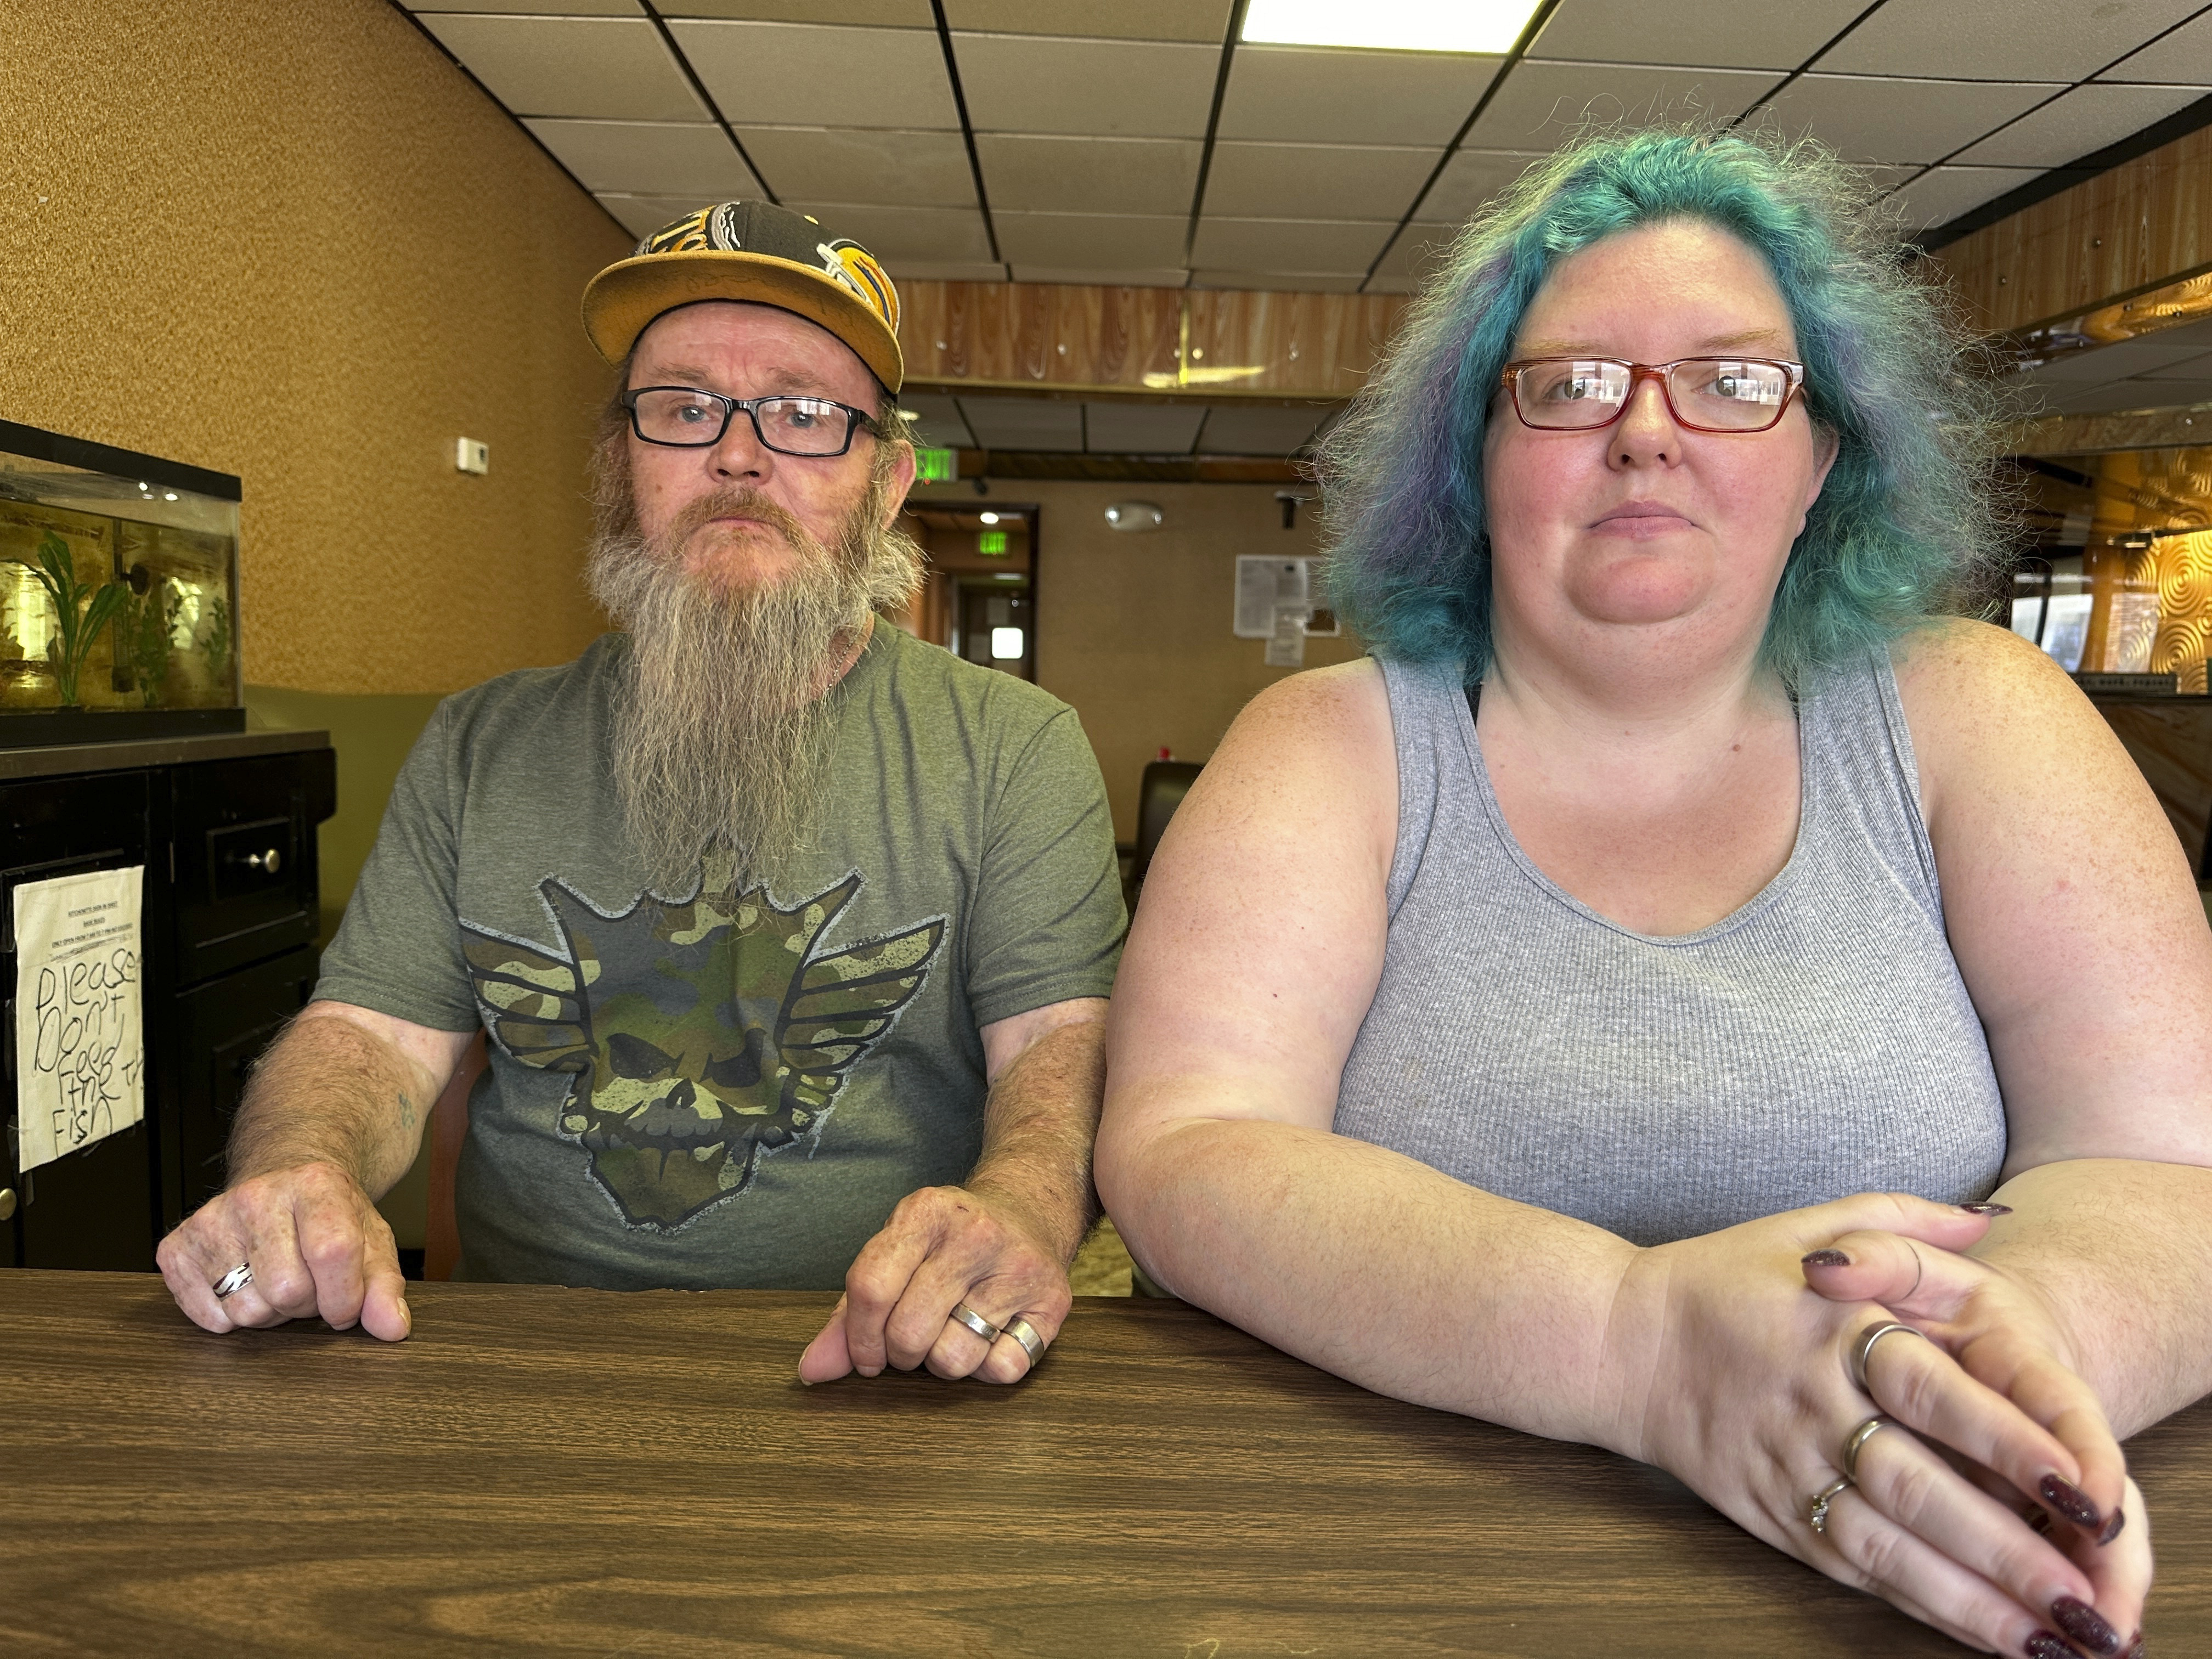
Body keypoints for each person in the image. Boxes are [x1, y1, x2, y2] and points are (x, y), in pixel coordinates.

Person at [1097, 131, 2210, 1659]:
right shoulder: (1325, 747)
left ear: (1823, 458)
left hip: (1926, 1563)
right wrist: (1641, 1343)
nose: (1647, 434)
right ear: (1474, 460)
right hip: (1379, 1584)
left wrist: (1983, 1358)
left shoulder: (1982, 714)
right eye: (1568, 385)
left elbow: (2170, 1164)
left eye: (1732, 381)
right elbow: (1182, 1154)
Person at [156, 201, 1125, 1386]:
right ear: (622, 464)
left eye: (807, 415)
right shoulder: (479, 743)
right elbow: (369, 1037)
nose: (738, 454)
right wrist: (299, 1169)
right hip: (526, 1366)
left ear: (886, 485)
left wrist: (1018, 1209)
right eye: (682, 408)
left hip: (887, 1366)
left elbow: (1057, 1049)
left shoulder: (1015, 751)